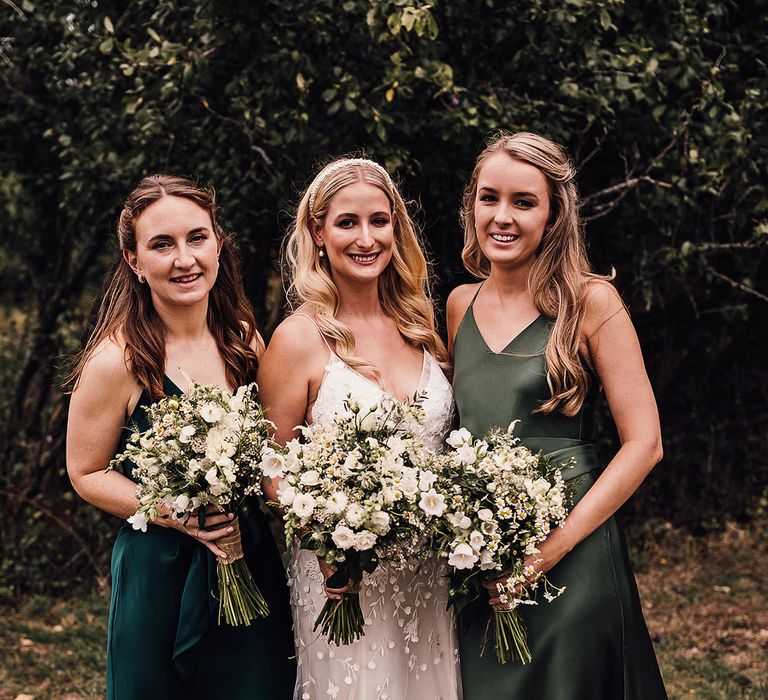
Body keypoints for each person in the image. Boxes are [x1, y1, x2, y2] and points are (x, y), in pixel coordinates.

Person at [447, 132, 667, 699]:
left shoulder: (591, 302)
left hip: (574, 550)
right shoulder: (457, 305)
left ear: (554, 215)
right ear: (471, 204)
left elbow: (644, 443)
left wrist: (550, 550)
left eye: (524, 202)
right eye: (489, 198)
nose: (502, 217)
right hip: (482, 562)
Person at [66, 175, 296, 699]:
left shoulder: (243, 339)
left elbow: (269, 451)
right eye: (162, 245)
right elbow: (85, 472)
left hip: (245, 554)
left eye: (197, 237)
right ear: (134, 261)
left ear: (218, 242)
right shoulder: (116, 360)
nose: (184, 258)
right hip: (159, 568)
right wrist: (176, 511)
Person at [258, 157, 462, 699]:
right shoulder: (298, 339)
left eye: (380, 220)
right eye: (347, 222)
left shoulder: (421, 325)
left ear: (397, 228)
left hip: (429, 573)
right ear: (317, 233)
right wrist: (326, 532)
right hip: (342, 578)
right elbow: (270, 471)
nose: (366, 237)